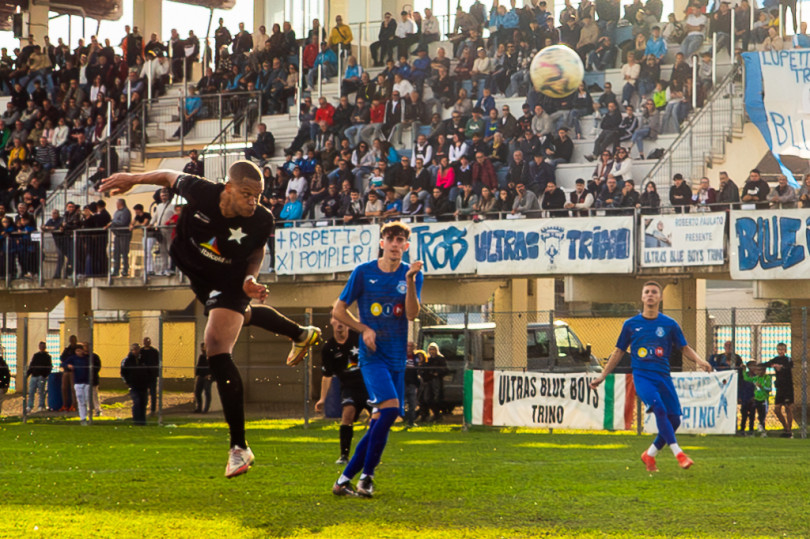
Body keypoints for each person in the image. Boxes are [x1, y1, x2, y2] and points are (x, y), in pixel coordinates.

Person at [101, 162, 321, 478]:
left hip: (230, 279)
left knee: (215, 346)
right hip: (196, 272)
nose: (252, 202)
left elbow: (257, 251)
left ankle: (239, 447)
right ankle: (300, 333)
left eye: (257, 196)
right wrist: (132, 179)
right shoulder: (202, 191)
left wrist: (249, 278)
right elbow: (166, 175)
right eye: (246, 194)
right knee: (239, 318)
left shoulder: (261, 219)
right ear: (227, 188)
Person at [331, 222, 423, 498]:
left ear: (406, 246)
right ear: (382, 242)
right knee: (391, 409)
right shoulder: (363, 272)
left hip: (397, 359)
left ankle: (345, 480)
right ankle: (366, 477)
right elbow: (339, 310)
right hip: (373, 358)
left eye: (400, 240)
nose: (395, 244)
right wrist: (364, 329)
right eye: (390, 239)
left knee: (381, 420)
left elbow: (411, 314)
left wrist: (409, 282)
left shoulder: (412, 274)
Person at [590, 281, 713, 472]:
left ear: (660, 297)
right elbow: (618, 352)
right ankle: (679, 454)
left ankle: (650, 455)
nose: (650, 295)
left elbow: (684, 347)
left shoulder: (669, 324)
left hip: (663, 376)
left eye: (654, 292)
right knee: (659, 409)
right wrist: (603, 375)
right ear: (642, 297)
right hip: (642, 376)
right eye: (646, 292)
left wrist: (700, 361)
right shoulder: (630, 325)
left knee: (675, 420)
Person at [315, 316, 370, 465]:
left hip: (368, 385)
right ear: (332, 322)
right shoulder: (329, 348)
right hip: (349, 387)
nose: (339, 323)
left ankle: (372, 453)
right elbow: (327, 376)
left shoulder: (358, 338)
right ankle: (344, 455)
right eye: (336, 320)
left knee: (377, 419)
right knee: (347, 415)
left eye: (342, 319)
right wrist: (322, 399)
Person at [762, 343, 795, 438]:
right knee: (777, 409)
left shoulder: (788, 359)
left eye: (782, 349)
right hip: (779, 387)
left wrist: (781, 367)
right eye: (779, 349)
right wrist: (771, 365)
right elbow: (767, 364)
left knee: (788, 408)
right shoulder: (775, 359)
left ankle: (790, 430)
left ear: (785, 350)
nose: (780, 351)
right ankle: (786, 428)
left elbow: (790, 366)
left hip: (787, 387)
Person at [417, 342, 449, 423]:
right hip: (427, 381)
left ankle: (437, 415)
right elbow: (423, 368)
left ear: (436, 350)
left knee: (436, 398)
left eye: (433, 349)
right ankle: (427, 415)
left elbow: (445, 370)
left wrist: (437, 372)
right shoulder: (428, 359)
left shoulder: (440, 358)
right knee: (425, 398)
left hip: (436, 380)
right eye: (430, 350)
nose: (432, 351)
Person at [63, 342, 92, 425]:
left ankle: (89, 415)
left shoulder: (87, 358)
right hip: (78, 382)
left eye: (80, 350)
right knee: (80, 399)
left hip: (86, 382)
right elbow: (63, 363)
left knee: (87, 399)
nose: (78, 352)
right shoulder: (73, 358)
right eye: (77, 351)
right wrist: (68, 366)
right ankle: (83, 418)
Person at [121, 342, 149, 425]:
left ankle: (143, 421)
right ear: (131, 350)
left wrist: (148, 381)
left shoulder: (144, 359)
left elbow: (149, 371)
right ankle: (136, 421)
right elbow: (123, 372)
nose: (136, 351)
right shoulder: (127, 360)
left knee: (143, 403)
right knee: (137, 402)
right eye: (134, 350)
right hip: (134, 385)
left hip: (143, 385)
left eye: (137, 349)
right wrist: (128, 382)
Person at [743, 361, 771, 437]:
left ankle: (763, 431)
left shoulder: (767, 378)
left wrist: (762, 387)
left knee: (762, 416)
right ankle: (751, 431)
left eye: (760, 370)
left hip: (763, 399)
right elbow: (747, 378)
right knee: (752, 414)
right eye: (757, 370)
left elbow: (769, 388)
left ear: (764, 371)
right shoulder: (755, 378)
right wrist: (744, 371)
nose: (758, 372)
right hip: (756, 399)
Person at [26, 341, 52, 413]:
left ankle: (41, 405)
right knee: (31, 391)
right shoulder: (36, 355)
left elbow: (49, 367)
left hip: (41, 376)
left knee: (41, 392)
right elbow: (32, 365)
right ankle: (30, 406)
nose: (42, 348)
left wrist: (45, 375)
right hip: (34, 375)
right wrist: (28, 374)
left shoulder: (47, 357)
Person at [140, 336, 160, 416]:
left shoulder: (154, 351)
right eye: (145, 341)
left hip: (152, 375)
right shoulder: (141, 352)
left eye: (148, 341)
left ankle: (153, 409)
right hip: (144, 376)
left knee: (153, 393)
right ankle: (143, 408)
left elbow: (157, 362)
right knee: (143, 393)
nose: (147, 343)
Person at [193, 343, 212, 413]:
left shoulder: (211, 356)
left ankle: (206, 409)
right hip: (201, 376)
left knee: (207, 392)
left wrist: (210, 375)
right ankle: (199, 408)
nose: (202, 349)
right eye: (202, 347)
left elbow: (214, 367)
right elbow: (199, 366)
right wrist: (197, 374)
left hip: (208, 377)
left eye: (203, 347)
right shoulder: (201, 356)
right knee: (197, 392)